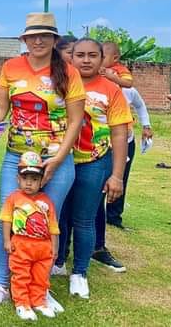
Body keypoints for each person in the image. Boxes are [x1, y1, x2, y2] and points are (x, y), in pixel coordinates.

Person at [0, 12, 84, 313]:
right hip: (17, 156)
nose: (38, 41)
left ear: (54, 39)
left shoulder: (68, 72)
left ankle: (41, 289)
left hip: (56, 158)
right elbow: (2, 111)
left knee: (46, 224)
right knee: (8, 219)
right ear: (24, 40)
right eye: (32, 36)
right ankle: (2, 284)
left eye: (45, 35)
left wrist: (58, 159)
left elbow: (76, 121)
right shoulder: (11, 67)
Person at [54, 38, 129, 299]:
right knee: (58, 216)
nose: (86, 60)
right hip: (59, 160)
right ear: (71, 57)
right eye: (80, 55)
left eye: (93, 55)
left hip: (93, 162)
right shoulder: (59, 83)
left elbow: (119, 134)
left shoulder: (111, 90)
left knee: (83, 219)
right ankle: (58, 262)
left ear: (102, 59)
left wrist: (117, 176)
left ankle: (80, 272)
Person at [90, 86, 152, 272]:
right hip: (82, 146)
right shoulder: (73, 81)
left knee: (101, 194)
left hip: (115, 144)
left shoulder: (123, 90)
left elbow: (138, 107)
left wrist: (146, 125)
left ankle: (99, 245)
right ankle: (61, 253)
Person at [1, 151, 60, 321]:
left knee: (41, 276)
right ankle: (22, 303)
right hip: (21, 245)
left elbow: (53, 226)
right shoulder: (13, 198)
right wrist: (7, 240)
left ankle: (39, 301)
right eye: (25, 178)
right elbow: (6, 220)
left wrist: (54, 247)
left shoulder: (47, 201)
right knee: (21, 275)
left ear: (41, 181)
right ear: (18, 179)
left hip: (43, 247)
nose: (29, 183)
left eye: (34, 179)